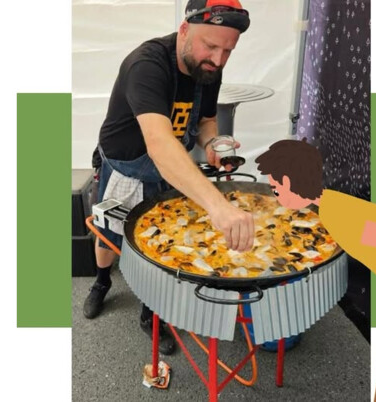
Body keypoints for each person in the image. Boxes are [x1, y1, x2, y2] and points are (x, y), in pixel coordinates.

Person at [84, 0, 255, 356]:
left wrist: (213, 143)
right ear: (184, 30)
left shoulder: (210, 67)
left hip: (172, 165)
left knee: (162, 247)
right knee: (108, 236)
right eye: (211, 46)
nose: (219, 59)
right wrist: (218, 207)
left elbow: (206, 119)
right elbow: (159, 143)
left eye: (228, 50)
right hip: (128, 163)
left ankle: (152, 314)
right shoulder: (146, 65)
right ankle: (101, 283)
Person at [255, 139, 376, 402]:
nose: (275, 196)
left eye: (275, 188)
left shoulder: (336, 213)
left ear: (288, 182)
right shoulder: (329, 205)